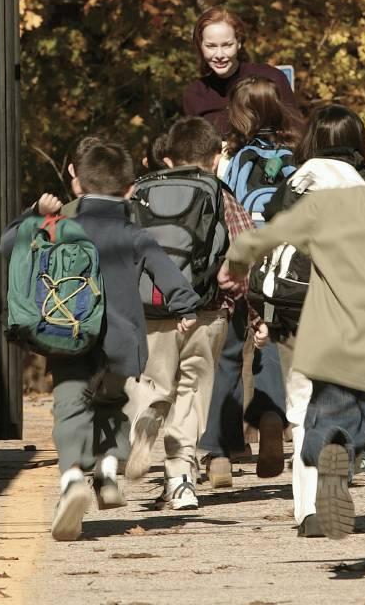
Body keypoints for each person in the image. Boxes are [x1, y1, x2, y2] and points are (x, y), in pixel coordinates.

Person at [224, 116, 365, 574]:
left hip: (331, 346)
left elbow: (265, 236)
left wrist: (234, 262)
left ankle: (330, 459)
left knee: (329, 416)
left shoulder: (328, 208)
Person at [1, 138, 202, 541]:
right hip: (122, 343)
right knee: (113, 408)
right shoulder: (134, 234)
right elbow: (169, 275)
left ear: (77, 186)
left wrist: (34, 214)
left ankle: (74, 477)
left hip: (68, 334)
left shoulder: (60, 225)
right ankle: (109, 470)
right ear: (130, 190)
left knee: (71, 409)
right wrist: (186, 308)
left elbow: (10, 246)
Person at [123, 117, 255, 510]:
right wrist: (239, 285)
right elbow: (246, 241)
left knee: (156, 384)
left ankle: (147, 416)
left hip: (152, 309)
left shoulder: (141, 190)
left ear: (167, 157)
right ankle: (181, 480)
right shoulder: (218, 190)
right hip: (206, 310)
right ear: (216, 158)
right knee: (192, 392)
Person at [255, 103, 365, 537]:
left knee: (301, 406)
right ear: (359, 143)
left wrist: (264, 314)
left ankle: (308, 511)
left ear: (311, 141)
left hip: (295, 308)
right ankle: (334, 478)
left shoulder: (297, 179)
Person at [199, 77, 295, 486]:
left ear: (239, 117)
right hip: (281, 258)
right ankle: (271, 414)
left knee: (230, 348)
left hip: (244, 254)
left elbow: (229, 208)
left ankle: (220, 450)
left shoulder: (236, 158)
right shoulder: (292, 155)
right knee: (268, 338)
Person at [182, 6, 301, 136]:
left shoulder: (271, 78)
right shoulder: (195, 94)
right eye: (211, 46)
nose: (219, 54)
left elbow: (296, 133)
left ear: (238, 43)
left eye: (227, 45)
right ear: (200, 46)